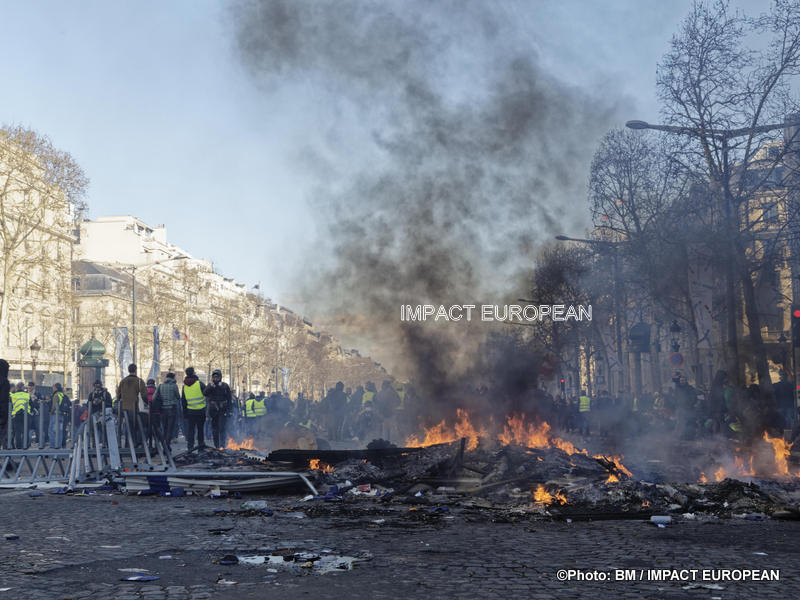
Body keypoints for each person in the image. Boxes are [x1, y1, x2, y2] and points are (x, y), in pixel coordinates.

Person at [116, 363, 148, 447]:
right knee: (135, 426)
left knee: (127, 426)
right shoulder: (139, 381)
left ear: (128, 370)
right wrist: (148, 403)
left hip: (124, 407)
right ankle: (134, 444)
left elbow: (118, 395)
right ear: (136, 370)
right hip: (134, 407)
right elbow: (144, 395)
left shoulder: (123, 381)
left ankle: (127, 444)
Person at [152, 372, 180, 452]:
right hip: (172, 409)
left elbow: (154, 397)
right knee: (170, 429)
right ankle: (166, 447)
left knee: (164, 428)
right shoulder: (174, 386)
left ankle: (164, 445)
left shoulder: (160, 386)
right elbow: (178, 397)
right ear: (173, 378)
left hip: (163, 410)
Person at [181, 366, 207, 451]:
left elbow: (183, 401)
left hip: (190, 412)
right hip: (201, 411)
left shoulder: (184, 386)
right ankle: (201, 448)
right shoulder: (199, 384)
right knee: (200, 430)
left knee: (191, 431)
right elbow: (207, 394)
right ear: (193, 373)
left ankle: (190, 447)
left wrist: (185, 414)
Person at [205, 369, 232, 448]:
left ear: (220, 377)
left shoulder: (224, 385)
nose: (215, 378)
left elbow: (229, 398)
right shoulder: (210, 385)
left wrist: (229, 410)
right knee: (215, 429)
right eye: (214, 377)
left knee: (222, 428)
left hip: (222, 410)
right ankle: (216, 445)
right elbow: (205, 393)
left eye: (217, 377)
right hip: (213, 410)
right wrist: (211, 386)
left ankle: (222, 445)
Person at [10, 382, 32, 449]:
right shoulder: (27, 395)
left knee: (17, 432)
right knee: (26, 430)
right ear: (23, 387)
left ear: (17, 387)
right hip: (26, 415)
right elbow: (32, 404)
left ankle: (18, 446)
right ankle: (26, 446)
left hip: (16, 415)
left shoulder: (13, 395)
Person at [50, 383, 71, 448]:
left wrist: (51, 412)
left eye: (53, 387)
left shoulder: (56, 395)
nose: (53, 389)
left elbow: (54, 406)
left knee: (52, 431)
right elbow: (69, 404)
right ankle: (59, 445)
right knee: (60, 431)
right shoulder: (63, 395)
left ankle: (53, 446)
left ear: (56, 388)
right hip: (62, 415)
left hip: (56, 415)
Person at [0, 359, 9, 449]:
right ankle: (7, 460)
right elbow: (3, 400)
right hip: (2, 415)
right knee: (4, 438)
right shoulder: (4, 382)